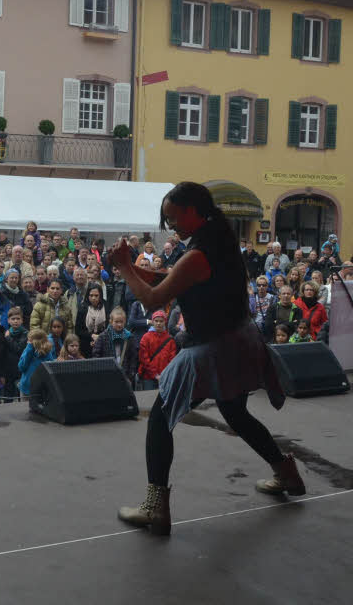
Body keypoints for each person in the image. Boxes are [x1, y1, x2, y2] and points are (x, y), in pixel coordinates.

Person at [112, 182, 297, 537]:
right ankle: (286, 473)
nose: (170, 224)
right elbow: (172, 279)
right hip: (237, 338)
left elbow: (152, 300)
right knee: (235, 412)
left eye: (173, 216)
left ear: (194, 209)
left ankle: (155, 508)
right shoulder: (216, 239)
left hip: (213, 346)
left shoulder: (198, 254)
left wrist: (124, 268)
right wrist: (134, 269)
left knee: (160, 419)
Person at [91, 307, 139, 383]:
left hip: (124, 376)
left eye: (121, 322)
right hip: (107, 375)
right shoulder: (103, 336)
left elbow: (133, 358)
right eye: (116, 322)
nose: (119, 324)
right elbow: (96, 356)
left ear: (125, 322)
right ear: (111, 321)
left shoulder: (129, 337)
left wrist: (130, 377)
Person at [136, 310, 177, 391]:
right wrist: (155, 374)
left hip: (165, 376)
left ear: (165, 322)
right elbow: (144, 359)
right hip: (148, 376)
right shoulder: (146, 338)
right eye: (156, 321)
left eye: (161, 321)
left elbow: (172, 360)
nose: (158, 323)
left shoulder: (170, 339)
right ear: (152, 322)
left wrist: (165, 374)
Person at [17, 328, 54, 398]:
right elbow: (21, 367)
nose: (27, 342)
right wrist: (29, 349)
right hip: (29, 388)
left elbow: (21, 367)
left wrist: (29, 348)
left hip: (36, 389)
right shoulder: (29, 350)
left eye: (29, 340)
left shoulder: (47, 353)